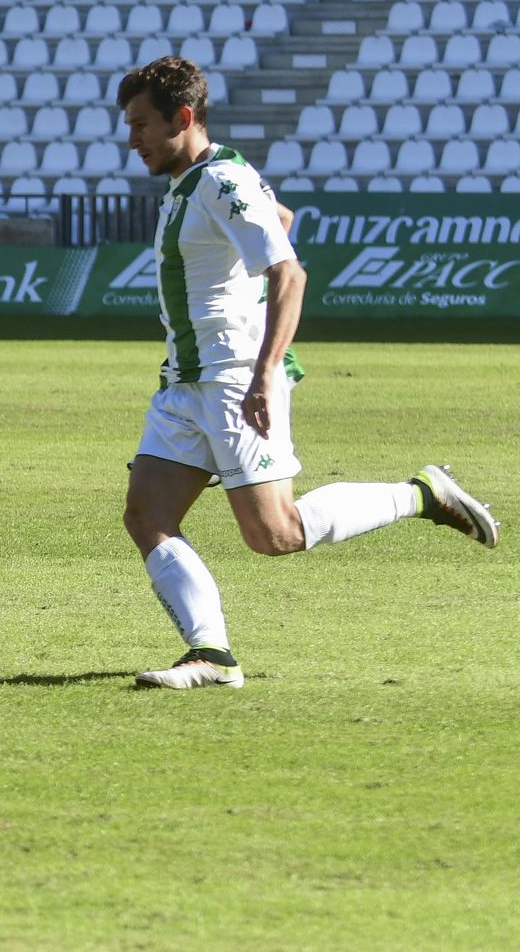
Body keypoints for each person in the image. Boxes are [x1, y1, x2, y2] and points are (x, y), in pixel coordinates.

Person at [118, 56, 499, 691]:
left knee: (275, 534)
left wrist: (267, 373)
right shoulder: (200, 181)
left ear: (184, 118)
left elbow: (288, 272)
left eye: (141, 125)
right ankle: (211, 654)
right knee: (146, 515)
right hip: (186, 380)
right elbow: (280, 221)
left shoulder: (221, 181)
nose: (132, 140)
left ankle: (422, 495)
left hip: (235, 377)